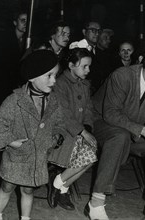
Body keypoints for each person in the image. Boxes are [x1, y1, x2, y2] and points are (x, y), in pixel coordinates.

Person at [85, 45, 145, 220]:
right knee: (120, 136)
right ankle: (95, 202)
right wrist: (144, 131)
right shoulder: (122, 76)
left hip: (132, 127)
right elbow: (111, 113)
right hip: (102, 123)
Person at [0, 50, 67, 220]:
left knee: (28, 189)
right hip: (16, 155)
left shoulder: (53, 101)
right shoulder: (15, 100)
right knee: (7, 186)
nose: (54, 80)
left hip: (38, 156)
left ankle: (25, 218)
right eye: (49, 76)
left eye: (55, 75)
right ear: (32, 77)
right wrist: (10, 141)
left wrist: (56, 137)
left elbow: (60, 123)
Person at [47, 44, 98, 210]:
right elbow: (64, 114)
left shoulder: (84, 84)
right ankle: (61, 186)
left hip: (79, 130)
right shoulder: (60, 84)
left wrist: (87, 128)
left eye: (89, 66)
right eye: (84, 66)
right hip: (62, 130)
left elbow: (89, 108)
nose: (88, 70)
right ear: (71, 66)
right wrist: (82, 132)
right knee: (89, 154)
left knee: (91, 155)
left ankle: (60, 185)